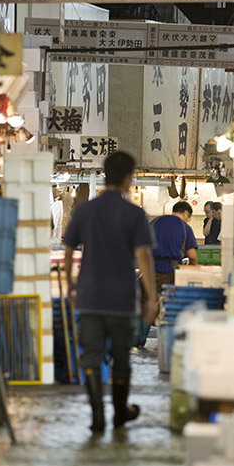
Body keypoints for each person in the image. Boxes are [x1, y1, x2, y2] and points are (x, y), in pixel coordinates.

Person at [63, 152, 157, 434]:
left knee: (90, 356)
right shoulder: (134, 213)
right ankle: (119, 414)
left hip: (89, 297)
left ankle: (97, 417)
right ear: (129, 178)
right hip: (122, 300)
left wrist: (69, 283)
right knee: (121, 358)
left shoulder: (85, 210)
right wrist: (152, 297)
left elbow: (68, 250)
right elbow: (143, 257)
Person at [151, 201, 199, 291]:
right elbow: (192, 255)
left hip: (149, 270)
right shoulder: (185, 227)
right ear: (185, 214)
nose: (187, 221)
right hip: (169, 272)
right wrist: (194, 266)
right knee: (166, 301)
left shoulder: (155, 222)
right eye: (188, 218)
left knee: (149, 301)